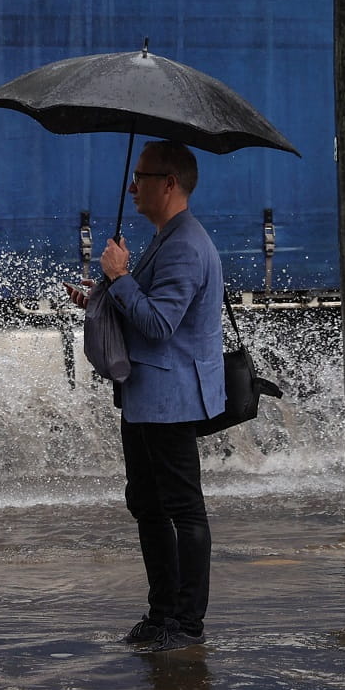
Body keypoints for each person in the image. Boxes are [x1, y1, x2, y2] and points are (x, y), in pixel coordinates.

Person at [70, 139, 225, 652]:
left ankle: (186, 624)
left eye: (141, 177)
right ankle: (161, 615)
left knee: (182, 509)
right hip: (146, 396)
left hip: (170, 398)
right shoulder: (167, 236)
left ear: (170, 183)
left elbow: (159, 324)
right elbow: (145, 307)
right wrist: (103, 293)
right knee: (148, 505)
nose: (132, 188)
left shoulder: (185, 244)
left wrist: (117, 276)